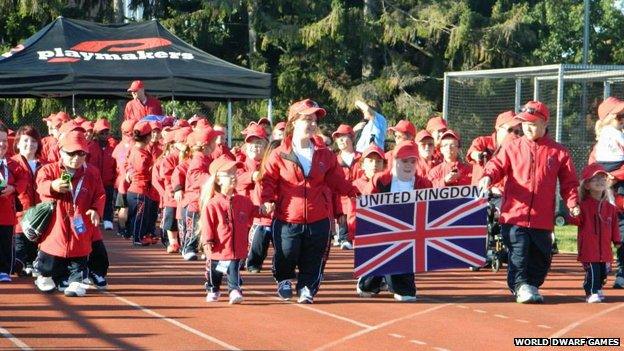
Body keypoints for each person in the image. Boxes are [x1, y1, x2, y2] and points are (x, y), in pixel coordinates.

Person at [479, 100, 580, 303]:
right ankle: (520, 285)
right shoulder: (511, 147)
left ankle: (531, 285)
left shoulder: (558, 152)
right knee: (519, 252)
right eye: (524, 123)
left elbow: (569, 183)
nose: (527, 127)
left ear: (545, 123)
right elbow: (496, 165)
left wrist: (572, 203)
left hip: (542, 219)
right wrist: (488, 176)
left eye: (533, 123)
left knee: (541, 257)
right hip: (514, 215)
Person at [261, 98, 359, 304]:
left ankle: (307, 287)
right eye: (307, 119)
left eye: (315, 120)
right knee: (286, 252)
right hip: (288, 217)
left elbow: (336, 180)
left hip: (319, 217)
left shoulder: (325, 154)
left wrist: (353, 192)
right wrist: (267, 199)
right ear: (294, 122)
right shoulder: (280, 154)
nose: (312, 124)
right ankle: (284, 279)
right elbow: (268, 179)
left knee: (313, 257)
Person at [355, 141, 430, 301]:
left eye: (412, 161)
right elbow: (363, 209)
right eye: (404, 161)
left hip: (408, 239)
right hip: (381, 236)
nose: (408, 165)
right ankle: (368, 280)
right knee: (368, 287)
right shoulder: (380, 180)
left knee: (407, 294)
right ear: (395, 160)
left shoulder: (423, 184)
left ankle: (393, 281)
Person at [34, 131, 105, 296]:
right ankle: (45, 276)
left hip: (80, 221)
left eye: (81, 153)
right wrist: (53, 186)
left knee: (79, 252)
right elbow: (41, 185)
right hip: (56, 221)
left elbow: (100, 194)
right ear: (61, 152)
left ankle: (76, 281)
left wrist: (95, 210)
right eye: (71, 153)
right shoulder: (49, 170)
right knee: (51, 252)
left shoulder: (92, 173)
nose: (77, 157)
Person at [200, 156, 260, 304]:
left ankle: (234, 290)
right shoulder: (213, 204)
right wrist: (207, 240)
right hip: (218, 248)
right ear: (218, 180)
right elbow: (207, 223)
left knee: (234, 269)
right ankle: (213, 289)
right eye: (229, 174)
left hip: (236, 247)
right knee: (215, 272)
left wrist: (265, 209)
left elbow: (254, 212)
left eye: (235, 173)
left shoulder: (243, 201)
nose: (234, 177)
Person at [568, 163, 622, 303]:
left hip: (605, 249)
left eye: (603, 178)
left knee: (603, 272)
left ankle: (597, 288)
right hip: (589, 248)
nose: (600, 181)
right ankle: (591, 290)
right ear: (586, 185)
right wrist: (574, 212)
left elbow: (614, 226)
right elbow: (575, 221)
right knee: (593, 271)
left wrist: (617, 241)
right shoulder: (583, 205)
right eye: (595, 179)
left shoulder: (610, 208)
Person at [235, 124, 272, 273]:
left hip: (263, 212)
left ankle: (254, 262)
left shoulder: (270, 164)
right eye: (251, 143)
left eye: (259, 143)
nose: (254, 147)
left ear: (266, 146)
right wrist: (252, 176)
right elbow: (236, 179)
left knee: (262, 234)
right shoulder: (240, 164)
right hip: (243, 211)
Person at [12, 126, 44, 278]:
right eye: (25, 140)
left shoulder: (44, 165)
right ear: (17, 143)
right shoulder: (11, 164)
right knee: (20, 257)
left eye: (33, 141)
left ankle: (32, 264)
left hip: (38, 217)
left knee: (34, 253)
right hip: (19, 217)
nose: (29, 144)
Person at [0, 124, 28, 282]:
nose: (2, 144)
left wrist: (13, 188)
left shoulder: (12, 165)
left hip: (6, 214)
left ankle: (4, 270)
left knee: (5, 242)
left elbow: (23, 179)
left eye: (4, 140)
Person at [125, 121, 158, 246]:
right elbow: (141, 169)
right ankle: (137, 238)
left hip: (138, 189)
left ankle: (140, 235)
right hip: (139, 189)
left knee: (141, 216)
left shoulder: (136, 150)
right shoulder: (140, 154)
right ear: (147, 137)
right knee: (139, 216)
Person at [466, 111, 521, 185]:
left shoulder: (516, 147)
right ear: (498, 128)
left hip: (501, 192)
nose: (513, 134)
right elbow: (472, 152)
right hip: (480, 190)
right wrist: (478, 155)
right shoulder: (483, 141)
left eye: (516, 132)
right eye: (510, 130)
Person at [331, 124, 361, 250]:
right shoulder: (333, 160)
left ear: (352, 139)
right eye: (338, 138)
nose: (341, 141)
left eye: (344, 137)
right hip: (341, 199)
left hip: (358, 197)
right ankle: (343, 238)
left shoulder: (362, 157)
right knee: (343, 218)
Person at [89, 119, 117, 231]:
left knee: (108, 201)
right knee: (92, 200)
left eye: (106, 132)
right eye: (102, 133)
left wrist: (114, 179)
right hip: (93, 182)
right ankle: (93, 219)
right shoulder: (90, 147)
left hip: (108, 182)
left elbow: (115, 166)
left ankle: (107, 220)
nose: (105, 135)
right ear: (96, 133)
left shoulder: (112, 148)